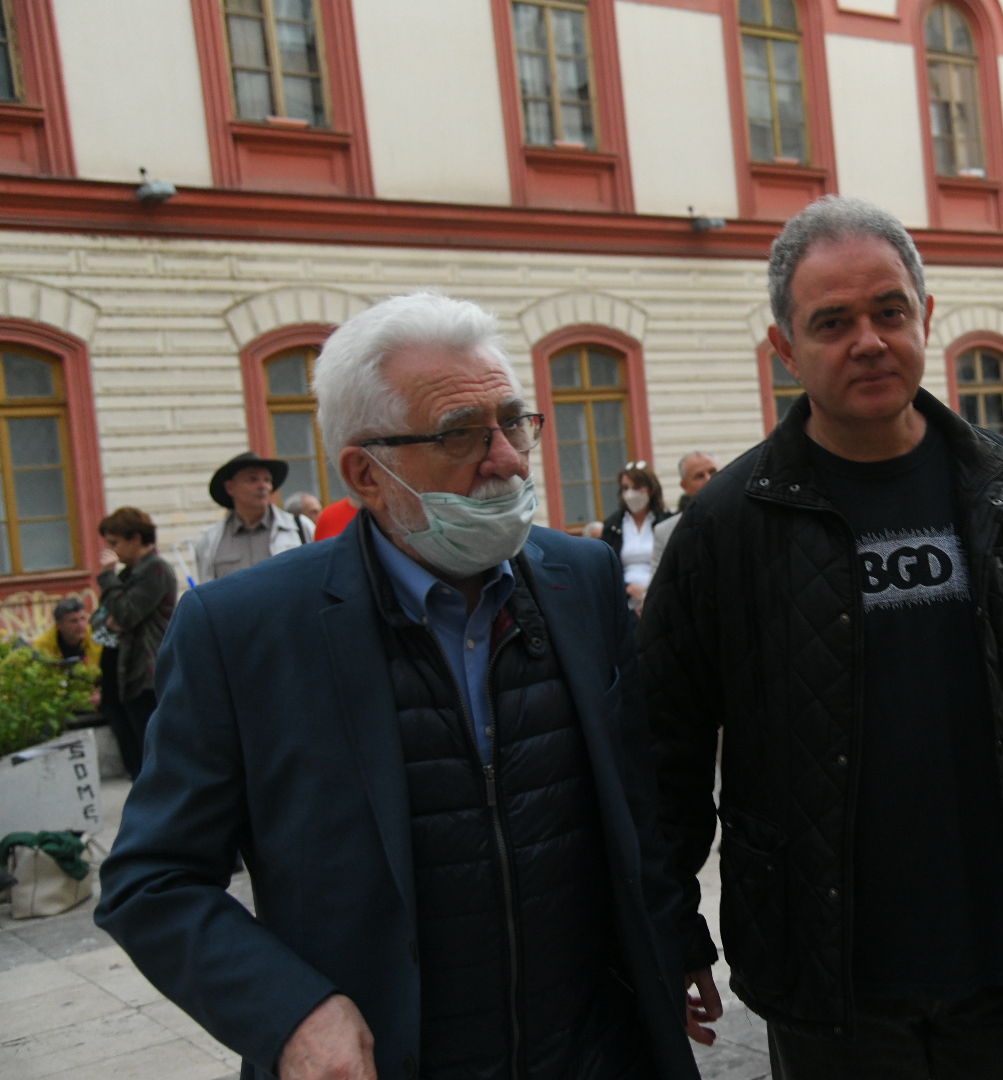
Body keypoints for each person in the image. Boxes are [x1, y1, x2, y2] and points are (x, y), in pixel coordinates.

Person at [95, 293, 700, 1080]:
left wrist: (674, 944)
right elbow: (152, 882)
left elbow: (632, 809)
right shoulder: (240, 631)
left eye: (514, 422)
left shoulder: (579, 581)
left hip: (594, 1052)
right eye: (460, 435)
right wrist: (288, 1011)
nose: (509, 460)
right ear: (365, 474)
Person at [643, 196, 1003, 1080]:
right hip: (832, 971)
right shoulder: (728, 524)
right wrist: (670, 922)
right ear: (785, 349)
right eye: (832, 322)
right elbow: (664, 750)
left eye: (889, 311)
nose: (869, 340)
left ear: (926, 312)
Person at [94, 507, 177, 781]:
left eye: (115, 543)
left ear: (136, 538)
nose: (112, 551)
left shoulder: (155, 569)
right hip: (124, 671)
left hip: (146, 672)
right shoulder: (130, 573)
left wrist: (107, 579)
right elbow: (102, 618)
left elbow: (126, 613)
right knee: (131, 749)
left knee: (149, 746)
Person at [191, 452, 315, 581]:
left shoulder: (300, 528)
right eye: (253, 479)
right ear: (230, 487)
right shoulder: (209, 540)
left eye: (267, 480)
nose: (263, 486)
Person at [602, 463, 672, 610]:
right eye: (625, 488)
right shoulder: (613, 525)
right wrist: (628, 588)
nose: (630, 494)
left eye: (637, 488)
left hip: (660, 600)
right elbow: (604, 568)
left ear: (651, 489)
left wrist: (651, 592)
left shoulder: (666, 522)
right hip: (624, 603)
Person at [648, 451, 718, 581]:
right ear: (684, 486)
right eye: (699, 476)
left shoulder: (741, 518)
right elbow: (656, 586)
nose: (709, 479)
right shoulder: (666, 532)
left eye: (713, 472)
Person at [32, 595, 102, 670]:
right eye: (74, 621)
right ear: (59, 625)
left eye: (83, 618)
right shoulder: (43, 647)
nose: (81, 625)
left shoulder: (97, 639)